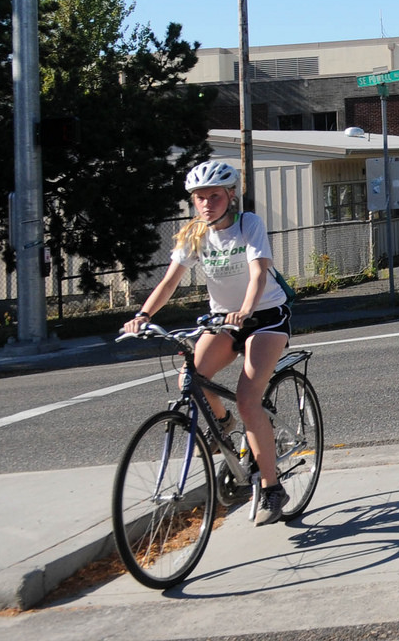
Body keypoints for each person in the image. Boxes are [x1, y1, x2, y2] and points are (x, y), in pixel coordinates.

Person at [121, 160, 296, 525]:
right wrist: (144, 316)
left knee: (250, 399)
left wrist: (246, 309)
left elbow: (258, 271)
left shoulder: (249, 224)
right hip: (222, 321)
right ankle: (224, 422)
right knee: (192, 379)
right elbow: (170, 281)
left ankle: (272, 487)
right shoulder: (193, 235)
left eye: (214, 196)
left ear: (230, 195)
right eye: (199, 198)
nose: (206, 204)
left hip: (264, 317)